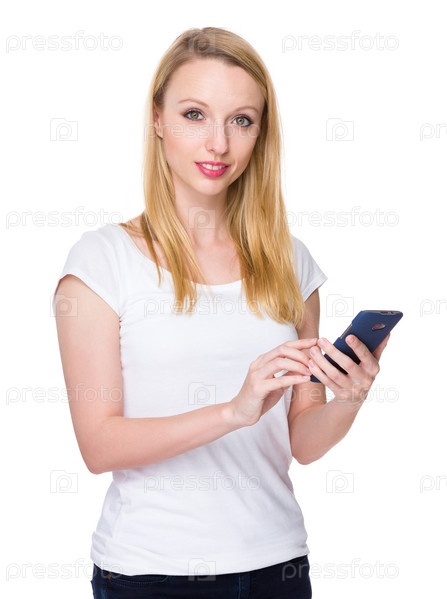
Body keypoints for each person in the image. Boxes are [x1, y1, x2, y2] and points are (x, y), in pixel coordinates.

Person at [53, 27, 390, 599]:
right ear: (157, 119)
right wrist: (234, 410)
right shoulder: (101, 262)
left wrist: (351, 396)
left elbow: (303, 442)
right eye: (194, 115)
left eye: (241, 120)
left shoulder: (290, 262)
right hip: (150, 574)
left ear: (261, 132)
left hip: (278, 567)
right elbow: (98, 446)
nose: (218, 144)